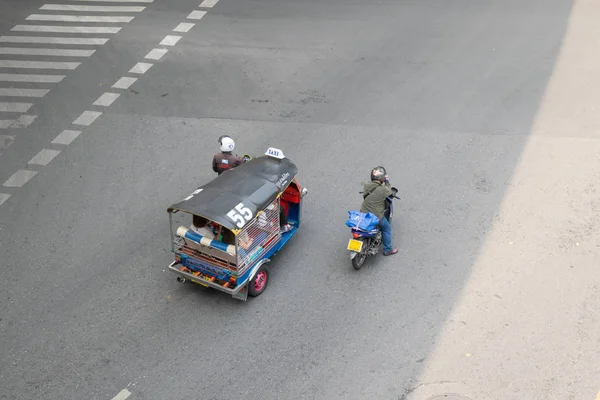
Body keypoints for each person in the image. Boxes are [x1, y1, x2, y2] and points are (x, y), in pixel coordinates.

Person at [360, 166, 398, 256]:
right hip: (376, 215)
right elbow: (389, 191)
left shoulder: (366, 185)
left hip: (363, 213)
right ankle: (388, 250)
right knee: (386, 228)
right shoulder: (383, 189)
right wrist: (387, 181)